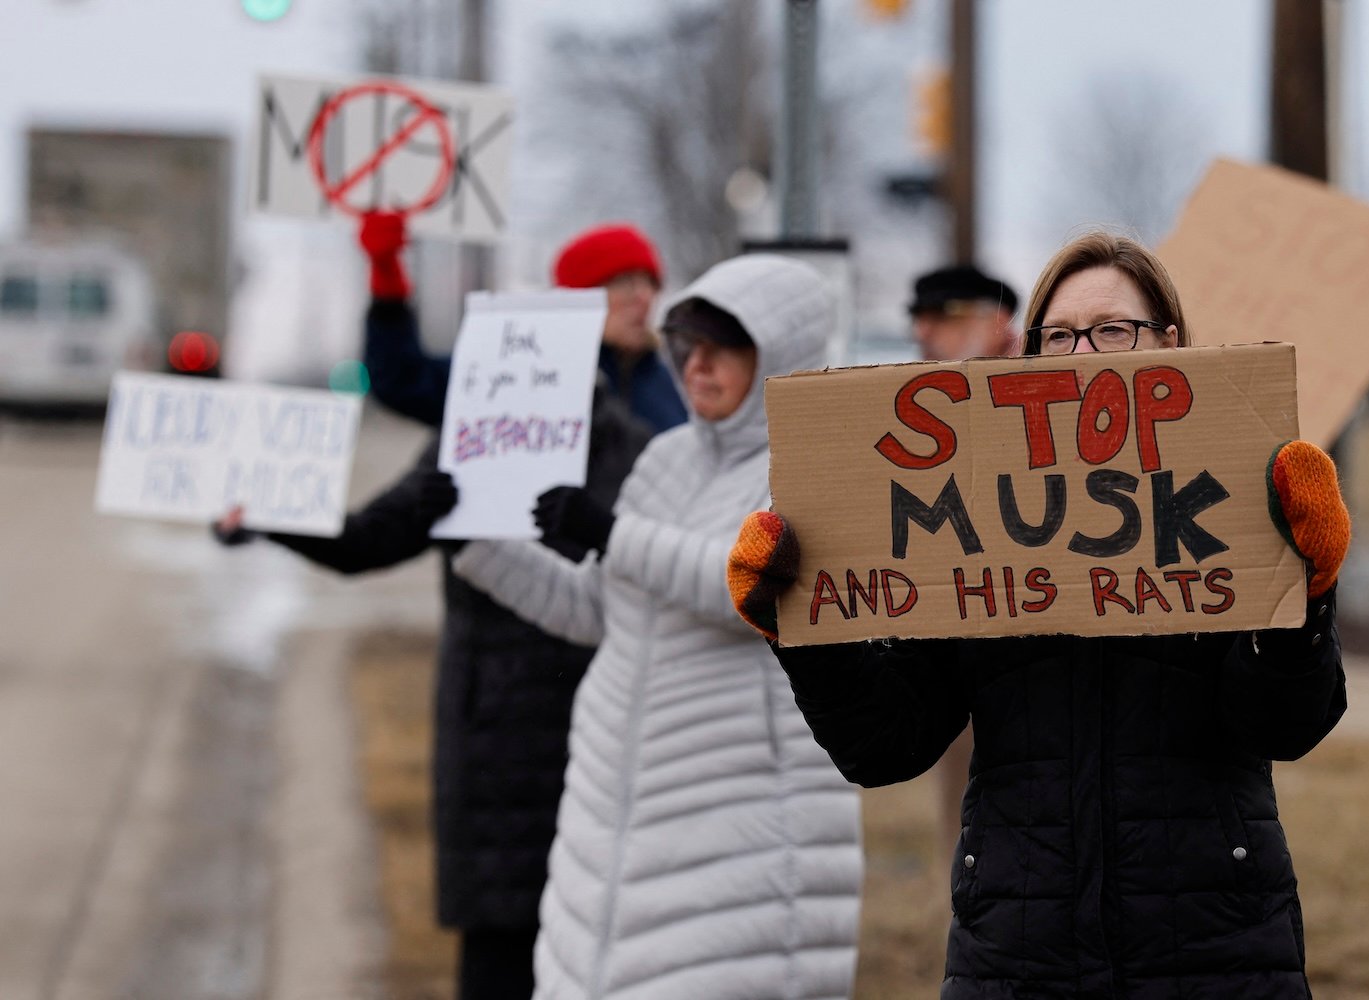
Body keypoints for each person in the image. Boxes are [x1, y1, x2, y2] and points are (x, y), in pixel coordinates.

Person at [727, 231, 1352, 998]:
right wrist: (804, 630)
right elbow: (887, 744)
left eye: (1112, 330)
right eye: (1058, 335)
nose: (1083, 352)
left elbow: (1282, 725)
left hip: (1215, 944)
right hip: (1018, 951)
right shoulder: (977, 516)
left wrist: (1307, 592)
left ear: (1170, 343)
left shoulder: (1229, 495)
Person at [214, 218, 664, 1000]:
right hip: (496, 733)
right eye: (614, 284)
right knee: (501, 952)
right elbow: (364, 538)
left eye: (646, 282)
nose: (637, 298)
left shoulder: (657, 427)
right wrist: (264, 514)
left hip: (618, 728)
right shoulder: (477, 423)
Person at [452, 254, 864, 1000]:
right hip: (610, 828)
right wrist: (474, 540)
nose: (696, 366)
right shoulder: (664, 459)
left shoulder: (818, 462)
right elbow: (594, 608)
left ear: (779, 352)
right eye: (684, 346)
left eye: (722, 348)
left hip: (740, 834)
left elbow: (755, 586)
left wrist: (610, 531)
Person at [907, 261, 1025, 873]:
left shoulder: (1044, 393)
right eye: (920, 321)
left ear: (997, 318)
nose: (924, 333)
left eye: (942, 320)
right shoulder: (926, 409)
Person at [360, 215, 688, 433]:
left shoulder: (674, 385)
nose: (643, 297)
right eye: (624, 283)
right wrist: (387, 278)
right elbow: (403, 380)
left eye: (650, 284)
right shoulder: (520, 374)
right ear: (576, 296)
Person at [908, 263, 1021, 361]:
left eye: (940, 317)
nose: (921, 334)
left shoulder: (1036, 375)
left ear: (998, 321)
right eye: (919, 320)